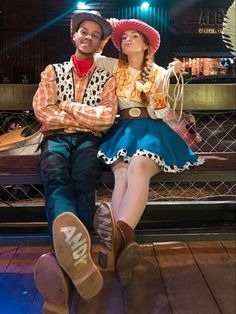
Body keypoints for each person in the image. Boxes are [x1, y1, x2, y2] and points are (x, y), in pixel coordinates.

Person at [92, 19, 204, 285]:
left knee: (138, 166)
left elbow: (162, 113)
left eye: (134, 36)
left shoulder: (158, 72)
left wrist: (167, 78)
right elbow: (95, 55)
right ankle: (122, 245)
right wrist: (108, 31)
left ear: (146, 45)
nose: (128, 39)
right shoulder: (114, 66)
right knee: (121, 174)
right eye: (125, 37)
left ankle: (116, 239)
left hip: (152, 131)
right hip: (123, 131)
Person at [32, 10, 117, 313]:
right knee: (56, 178)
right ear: (74, 36)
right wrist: (83, 116)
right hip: (56, 138)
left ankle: (67, 257)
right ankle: (74, 253)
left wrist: (66, 107)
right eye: (84, 32)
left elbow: (106, 118)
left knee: (84, 180)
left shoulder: (107, 78)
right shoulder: (52, 71)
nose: (89, 37)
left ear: (100, 44)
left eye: (95, 35)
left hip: (87, 141)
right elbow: (43, 111)